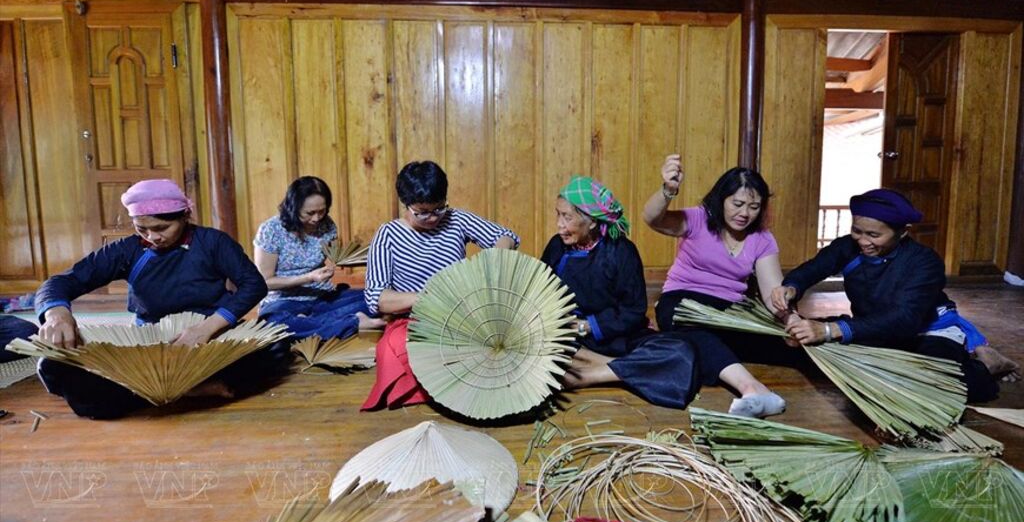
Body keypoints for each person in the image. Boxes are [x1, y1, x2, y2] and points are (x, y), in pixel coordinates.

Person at [32, 179, 276, 419]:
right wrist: (56, 314)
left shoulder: (213, 242)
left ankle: (140, 394)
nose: (152, 237)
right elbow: (60, 282)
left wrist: (207, 327)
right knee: (51, 366)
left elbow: (254, 284)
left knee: (272, 352)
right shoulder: (128, 250)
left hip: (210, 337)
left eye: (161, 228)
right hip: (152, 342)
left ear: (184, 216)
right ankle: (188, 390)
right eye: (142, 228)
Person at [772, 188, 1006, 403]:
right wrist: (791, 288)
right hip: (875, 329)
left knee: (934, 384)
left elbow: (904, 318)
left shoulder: (924, 262)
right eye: (857, 231)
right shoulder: (848, 247)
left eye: (874, 235)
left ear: (902, 232)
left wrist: (829, 330)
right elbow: (812, 269)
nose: (863, 241)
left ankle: (986, 364)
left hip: (926, 333)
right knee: (787, 346)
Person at [361, 161, 519, 410]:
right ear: (406, 203)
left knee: (503, 340)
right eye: (422, 212)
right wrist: (426, 297)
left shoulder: (456, 220)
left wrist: (490, 264)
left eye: (439, 209)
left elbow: (507, 237)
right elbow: (376, 298)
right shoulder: (388, 235)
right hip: (415, 321)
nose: (433, 217)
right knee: (393, 351)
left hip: (462, 316)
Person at [645, 156, 792, 418]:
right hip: (682, 303)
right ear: (721, 199)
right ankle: (752, 389)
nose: (744, 213)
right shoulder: (699, 219)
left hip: (729, 312)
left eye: (754, 207)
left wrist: (791, 320)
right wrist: (668, 189)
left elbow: (772, 294)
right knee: (694, 333)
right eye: (737, 204)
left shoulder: (762, 239)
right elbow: (653, 218)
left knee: (782, 344)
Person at [541, 176, 700, 409]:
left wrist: (586, 325)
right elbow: (541, 290)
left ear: (592, 222)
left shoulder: (621, 252)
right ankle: (629, 368)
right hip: (567, 339)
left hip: (615, 338)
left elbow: (633, 311)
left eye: (567, 217)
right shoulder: (557, 246)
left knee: (682, 352)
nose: (559, 225)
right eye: (558, 214)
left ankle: (587, 375)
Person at [254, 176, 384, 341]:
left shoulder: (327, 225)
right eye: (310, 213)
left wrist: (337, 263)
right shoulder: (271, 230)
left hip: (321, 297)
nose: (316, 218)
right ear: (293, 208)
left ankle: (311, 323)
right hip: (283, 302)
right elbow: (265, 281)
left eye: (321, 211)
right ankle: (351, 322)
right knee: (273, 324)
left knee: (377, 298)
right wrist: (308, 277)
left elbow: (332, 257)